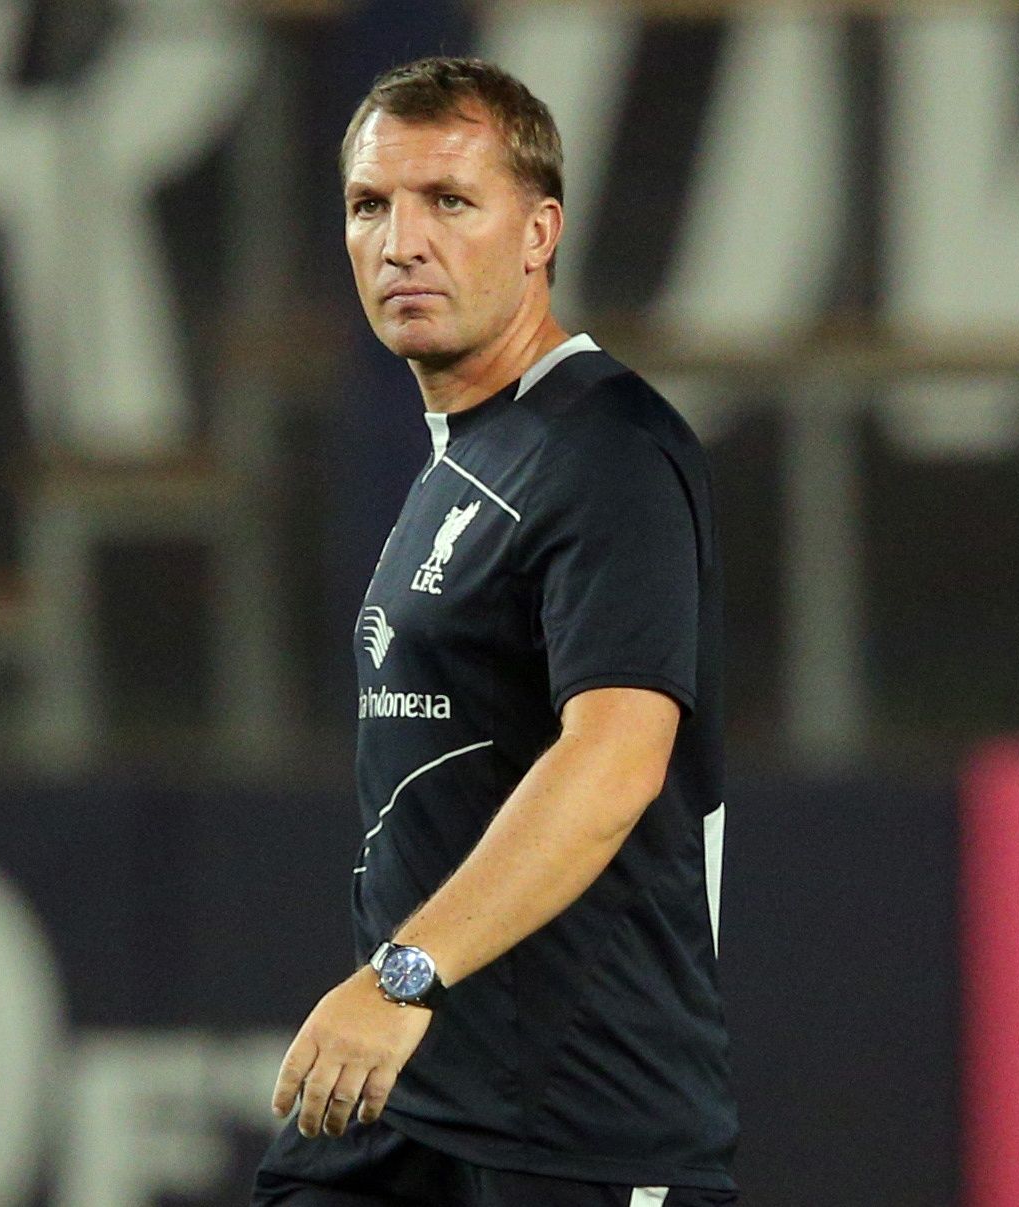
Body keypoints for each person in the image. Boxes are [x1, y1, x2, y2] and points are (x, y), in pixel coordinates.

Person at [253, 56, 736, 1207]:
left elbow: (615, 752)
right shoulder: (472, 450)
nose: (401, 241)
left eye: (449, 201)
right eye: (372, 205)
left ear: (539, 233)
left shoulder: (604, 449)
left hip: (571, 1123)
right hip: (414, 1106)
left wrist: (405, 974)